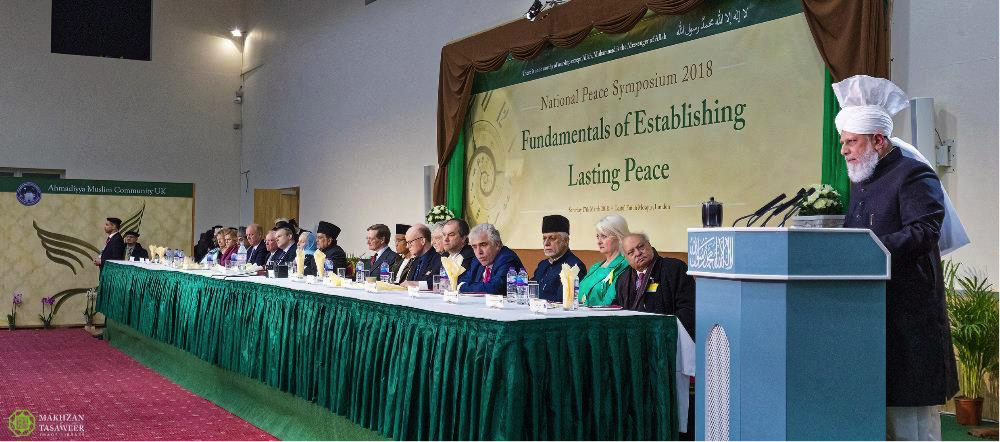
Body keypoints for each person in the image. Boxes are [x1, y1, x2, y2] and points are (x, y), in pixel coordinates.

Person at [833, 75, 959, 440]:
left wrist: (867, 251)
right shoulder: (864, 177)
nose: (844, 151)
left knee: (910, 424)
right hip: (871, 311)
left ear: (878, 140)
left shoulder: (913, 174)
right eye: (842, 142)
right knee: (881, 416)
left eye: (851, 142)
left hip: (909, 313)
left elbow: (924, 232)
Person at [613, 233, 695, 338]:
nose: (638, 253)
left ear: (649, 245)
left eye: (641, 247)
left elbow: (688, 309)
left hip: (666, 337)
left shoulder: (674, 268)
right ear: (626, 258)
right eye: (631, 252)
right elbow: (617, 308)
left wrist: (665, 331)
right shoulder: (622, 279)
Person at [578, 214, 631, 306]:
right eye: (597, 236)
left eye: (604, 236)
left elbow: (609, 303)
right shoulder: (595, 267)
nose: (599, 242)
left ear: (619, 237)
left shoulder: (625, 266)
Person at [532, 215, 587, 302]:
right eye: (544, 238)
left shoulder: (575, 267)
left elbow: (564, 299)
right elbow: (531, 290)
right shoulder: (542, 265)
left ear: (566, 241)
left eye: (552, 238)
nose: (546, 243)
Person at [458, 224, 524, 295]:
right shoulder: (477, 260)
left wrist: (463, 288)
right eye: (474, 247)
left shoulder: (506, 258)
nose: (479, 252)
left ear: (497, 245)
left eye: (483, 245)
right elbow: (463, 280)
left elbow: (494, 288)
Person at [402, 224, 442, 288]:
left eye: (410, 242)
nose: (407, 246)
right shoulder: (415, 260)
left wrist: (415, 284)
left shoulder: (438, 258)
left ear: (422, 241)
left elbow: (436, 283)